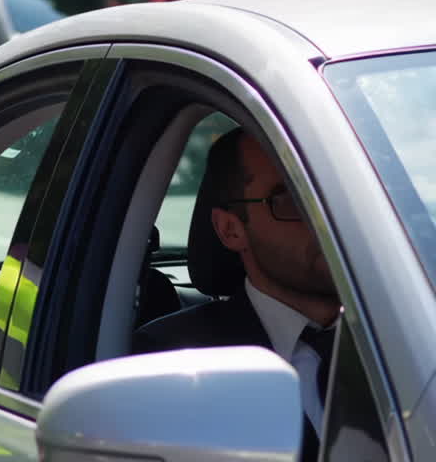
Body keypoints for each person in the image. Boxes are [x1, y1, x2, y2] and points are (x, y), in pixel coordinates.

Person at [134, 128, 341, 462]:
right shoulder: (169, 362)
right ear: (231, 229)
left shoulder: (416, 330)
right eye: (290, 199)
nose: (327, 218)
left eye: (339, 195)